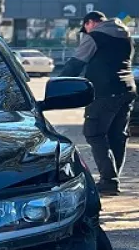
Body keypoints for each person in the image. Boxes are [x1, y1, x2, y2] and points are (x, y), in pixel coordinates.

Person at [56, 10, 134, 196]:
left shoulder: (95, 36)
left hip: (103, 91)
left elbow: (76, 62)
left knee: (94, 133)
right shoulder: (126, 35)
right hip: (127, 89)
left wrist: (59, 84)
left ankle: (109, 180)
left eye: (86, 27)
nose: (86, 31)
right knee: (117, 136)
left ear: (90, 23)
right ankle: (113, 178)